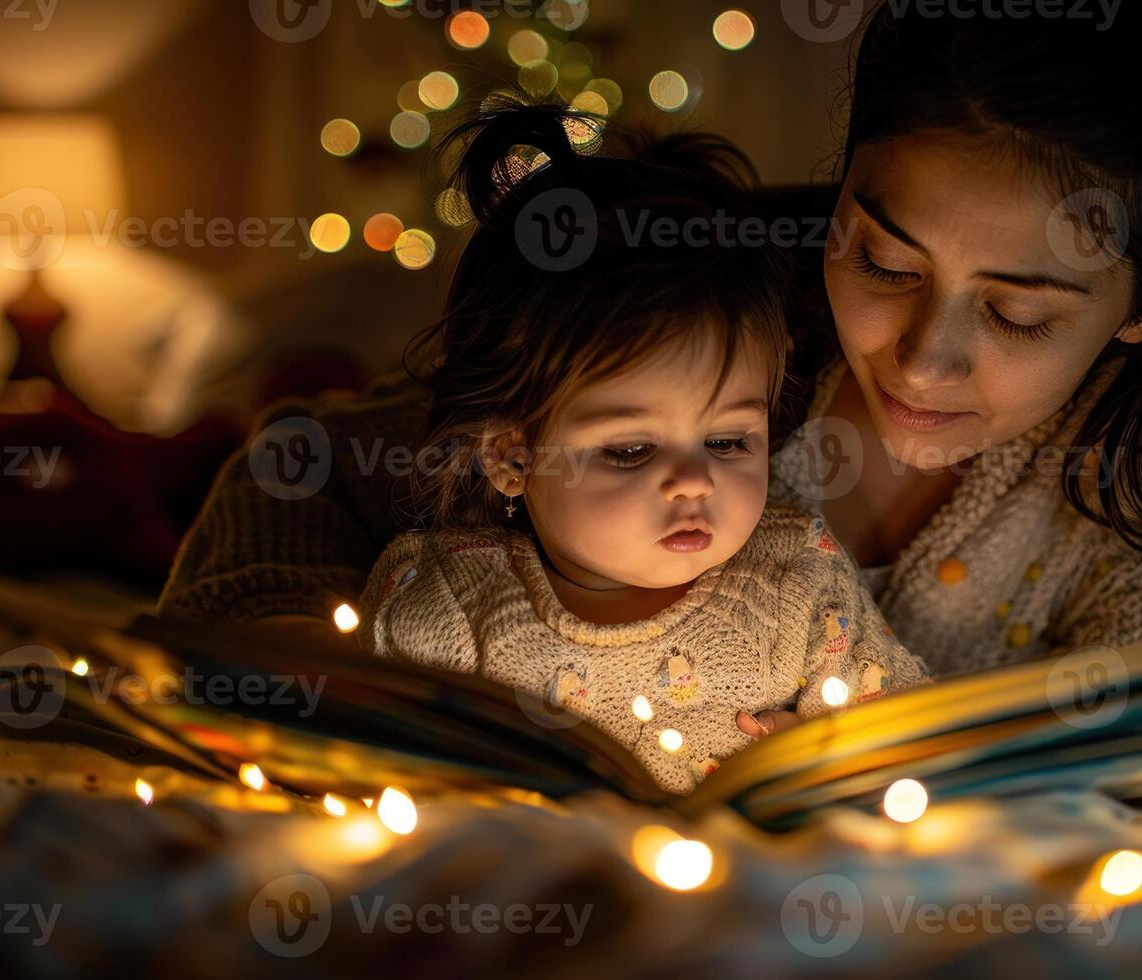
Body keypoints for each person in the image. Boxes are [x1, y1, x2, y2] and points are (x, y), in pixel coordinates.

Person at [161, 1, 1142, 786]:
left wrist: (918, 759)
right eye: (880, 257)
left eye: (1019, 314)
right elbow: (298, 467)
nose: (922, 358)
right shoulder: (711, 326)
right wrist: (312, 652)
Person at [353, 101, 927, 793]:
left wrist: (840, 762)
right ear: (510, 456)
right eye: (629, 450)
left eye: (726, 439)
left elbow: (912, 738)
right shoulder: (444, 604)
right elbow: (375, 776)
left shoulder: (796, 581)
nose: (693, 482)